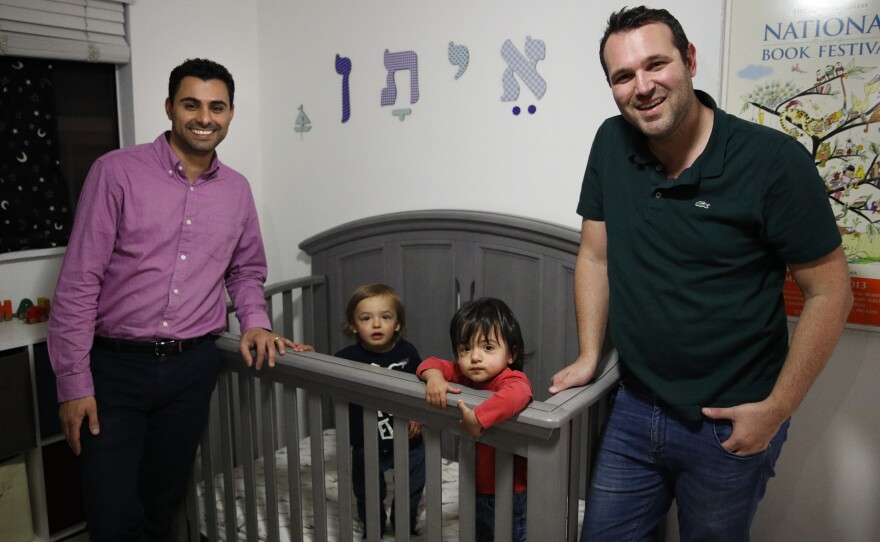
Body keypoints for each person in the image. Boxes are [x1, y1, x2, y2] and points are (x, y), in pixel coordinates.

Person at [549, 6, 853, 542]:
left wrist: (776, 411)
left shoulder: (773, 161)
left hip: (732, 421)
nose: (642, 86)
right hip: (635, 407)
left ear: (689, 61)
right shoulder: (610, 143)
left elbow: (831, 292)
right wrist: (588, 355)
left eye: (656, 64)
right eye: (623, 76)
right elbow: (595, 256)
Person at [47, 58, 307, 541]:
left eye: (217, 107)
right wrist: (72, 383)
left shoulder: (237, 190)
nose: (204, 117)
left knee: (161, 504)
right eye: (191, 104)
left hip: (191, 370)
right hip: (113, 372)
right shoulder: (116, 172)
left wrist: (254, 320)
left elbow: (246, 270)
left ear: (230, 114)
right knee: (110, 511)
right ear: (169, 107)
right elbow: (79, 280)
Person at [418, 298, 533, 542]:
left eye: (488, 347)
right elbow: (429, 363)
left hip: (511, 489)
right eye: (465, 349)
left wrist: (480, 418)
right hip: (473, 485)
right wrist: (435, 378)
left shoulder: (510, 379)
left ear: (511, 354)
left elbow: (519, 394)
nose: (475, 357)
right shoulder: (462, 375)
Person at [334, 283, 426, 536]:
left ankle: (403, 526)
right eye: (366, 318)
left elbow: (422, 385)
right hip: (367, 442)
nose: (376, 324)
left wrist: (418, 414)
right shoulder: (347, 358)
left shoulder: (408, 353)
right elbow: (320, 370)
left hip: (409, 441)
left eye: (385, 317)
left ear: (397, 324)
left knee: (411, 488)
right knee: (368, 491)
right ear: (353, 325)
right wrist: (306, 355)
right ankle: (372, 527)